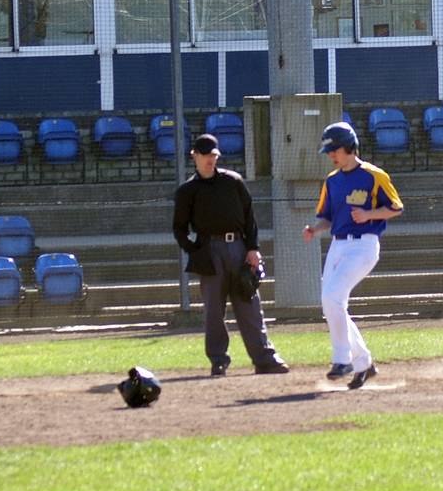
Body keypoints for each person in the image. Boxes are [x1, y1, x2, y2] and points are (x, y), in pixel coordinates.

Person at [173, 133, 289, 377]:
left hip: (238, 247)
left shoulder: (233, 181)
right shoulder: (187, 190)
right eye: (206, 155)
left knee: (249, 303)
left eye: (214, 155)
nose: (210, 160)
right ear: (195, 156)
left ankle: (264, 358)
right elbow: (179, 228)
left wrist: (253, 248)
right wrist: (194, 251)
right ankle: (218, 360)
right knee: (213, 310)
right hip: (209, 250)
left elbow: (249, 217)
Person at [303, 121, 403, 390]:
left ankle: (342, 360)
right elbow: (327, 217)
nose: (332, 156)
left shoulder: (373, 175)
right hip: (337, 245)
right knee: (332, 305)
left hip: (363, 245)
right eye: (329, 152)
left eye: (336, 150)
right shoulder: (332, 181)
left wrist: (369, 214)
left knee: (331, 297)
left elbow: (396, 208)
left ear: (350, 147)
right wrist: (315, 230)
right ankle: (363, 363)